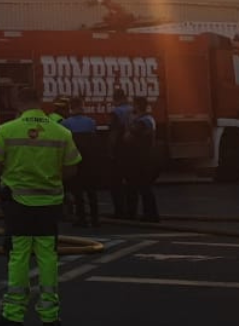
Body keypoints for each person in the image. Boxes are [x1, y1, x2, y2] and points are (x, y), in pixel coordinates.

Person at [0, 85, 82, 326]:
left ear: (18, 100)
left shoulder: (7, 130)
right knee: (48, 256)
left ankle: (14, 313)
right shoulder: (61, 132)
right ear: (40, 101)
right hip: (49, 204)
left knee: (18, 256)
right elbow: (72, 169)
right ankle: (50, 314)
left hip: (18, 203)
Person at [56, 100, 102, 227]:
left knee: (78, 191)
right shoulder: (91, 122)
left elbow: (64, 143)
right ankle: (95, 218)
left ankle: (81, 218)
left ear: (71, 108)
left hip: (76, 160)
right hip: (90, 161)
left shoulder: (66, 123)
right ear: (82, 107)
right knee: (91, 191)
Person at [120, 96, 161, 222]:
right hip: (147, 157)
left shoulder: (141, 122)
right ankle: (150, 213)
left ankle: (137, 214)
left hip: (139, 158)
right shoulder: (149, 119)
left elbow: (127, 138)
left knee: (134, 187)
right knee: (145, 188)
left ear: (137, 106)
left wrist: (128, 124)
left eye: (134, 105)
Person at [106, 88, 134, 218]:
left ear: (116, 98)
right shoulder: (132, 110)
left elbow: (114, 133)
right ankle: (132, 211)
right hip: (132, 150)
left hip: (120, 150)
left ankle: (119, 211)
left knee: (115, 182)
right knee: (131, 182)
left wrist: (110, 151)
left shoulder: (116, 112)